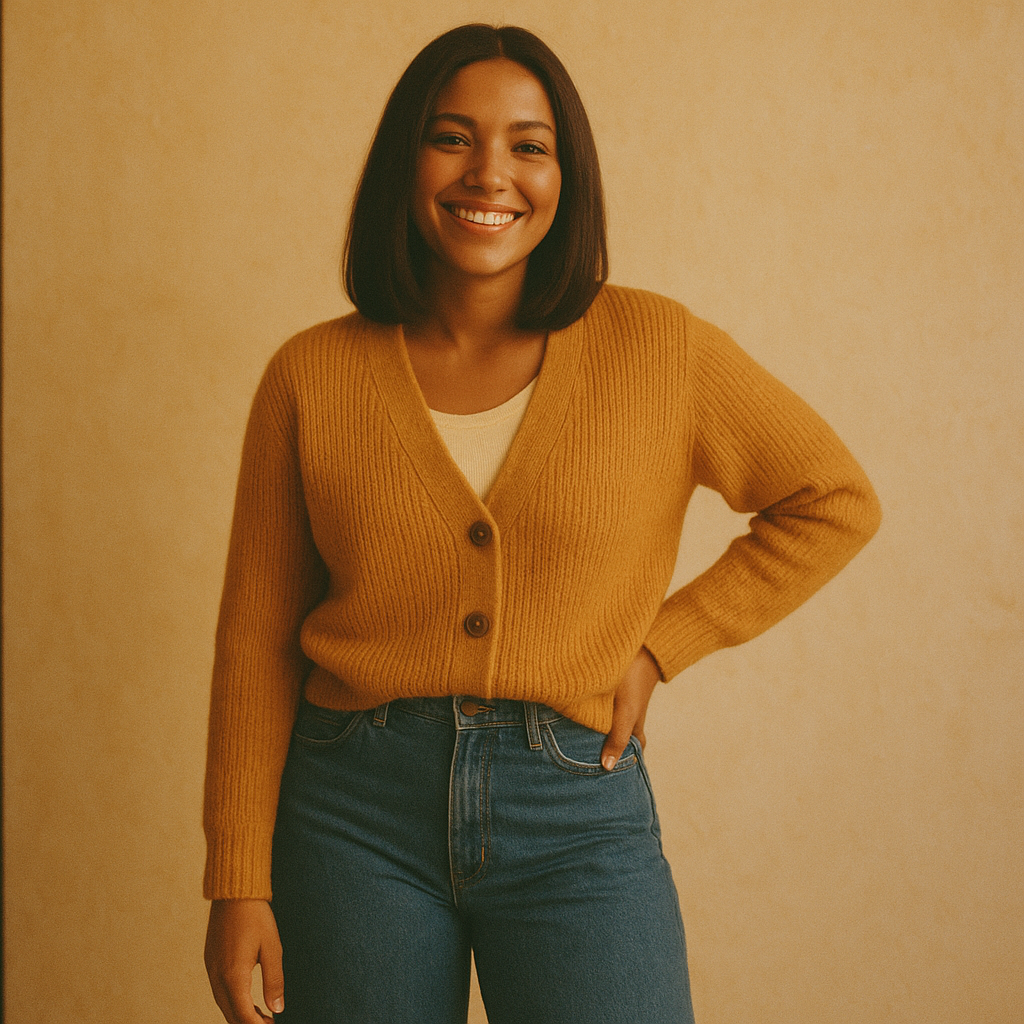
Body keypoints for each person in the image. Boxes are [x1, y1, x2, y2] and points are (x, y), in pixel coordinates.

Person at [202, 23, 881, 1024]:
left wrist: (661, 646)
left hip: (573, 806)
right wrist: (236, 879)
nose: (490, 172)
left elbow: (832, 499)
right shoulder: (311, 375)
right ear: (404, 162)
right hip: (351, 813)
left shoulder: (659, 348)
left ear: (567, 176)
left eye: (528, 144)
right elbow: (256, 636)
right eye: (451, 137)